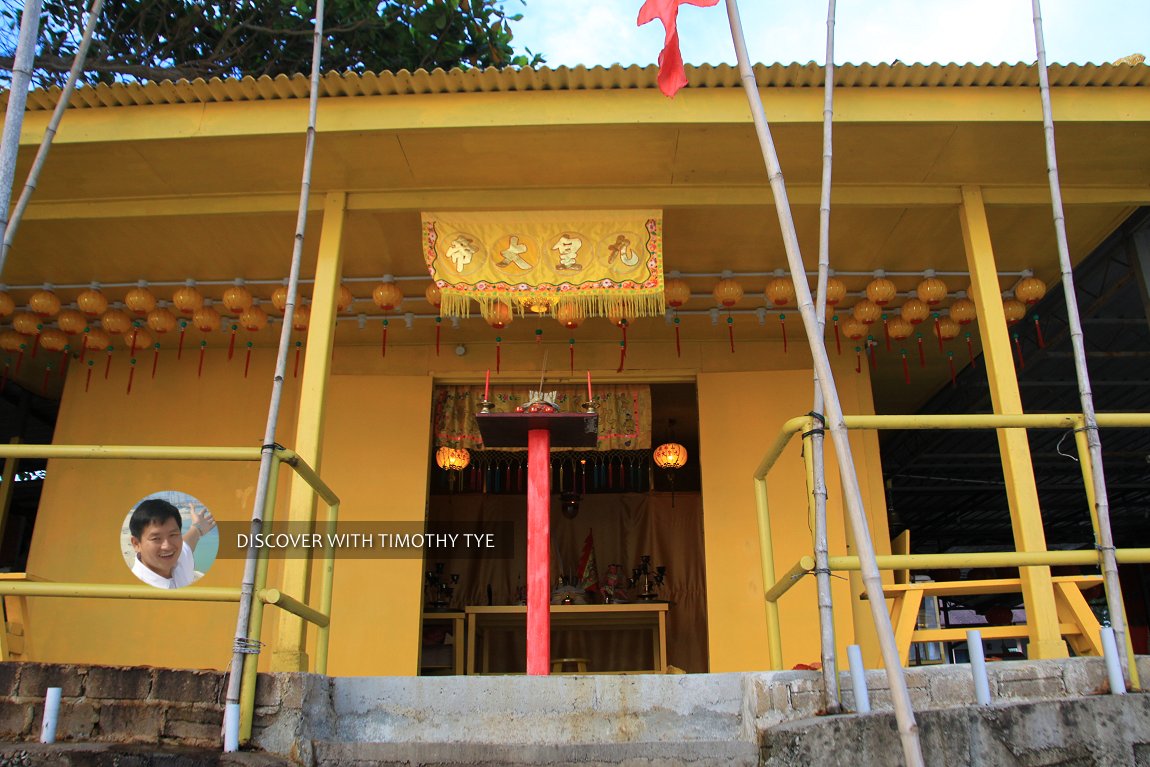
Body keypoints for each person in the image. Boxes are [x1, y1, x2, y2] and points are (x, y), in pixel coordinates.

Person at [128, 498, 215, 589]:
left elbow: (188, 542)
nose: (167, 546)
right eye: (156, 538)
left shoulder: (180, 559)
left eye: (173, 535)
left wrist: (198, 528)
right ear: (136, 544)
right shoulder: (135, 591)